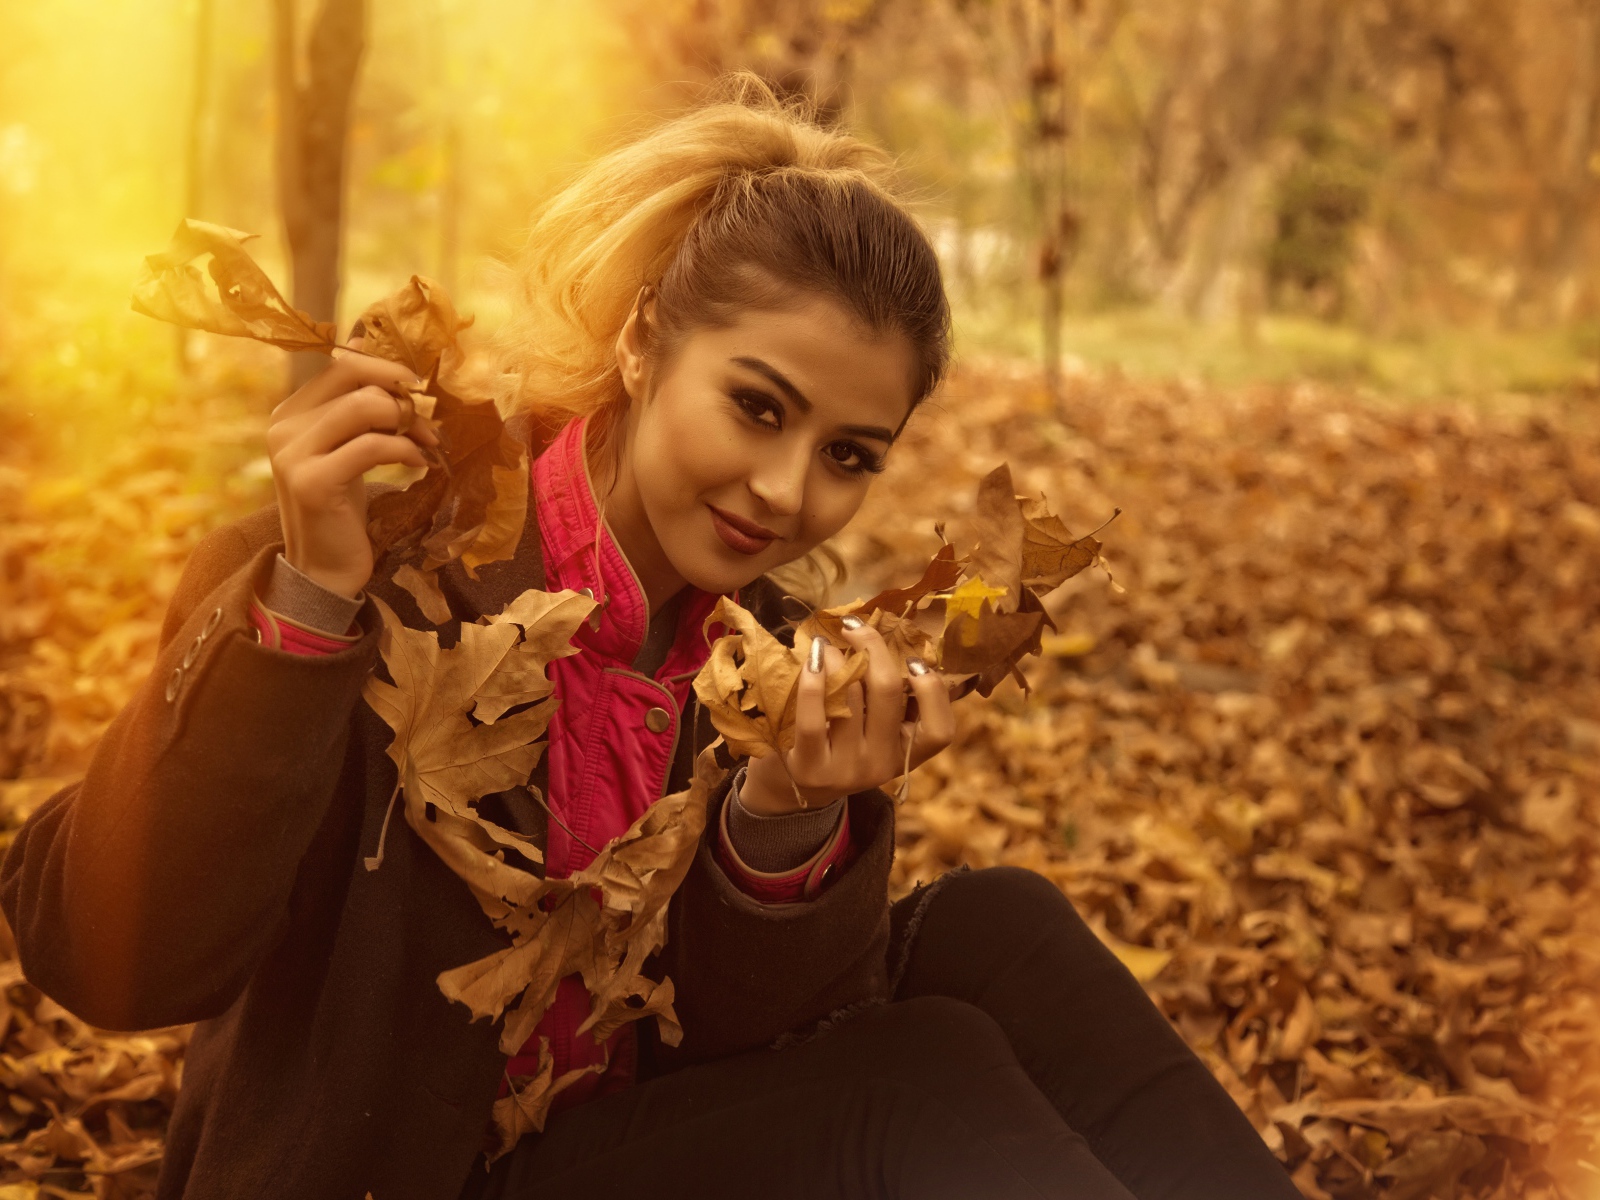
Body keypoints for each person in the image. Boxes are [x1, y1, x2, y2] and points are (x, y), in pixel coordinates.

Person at [1, 79, 1301, 1200]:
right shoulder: (383, 559)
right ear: (639, 345)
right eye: (757, 406)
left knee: (1002, 930)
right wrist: (304, 610)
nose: (790, 492)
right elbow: (107, 961)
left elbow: (764, 1058)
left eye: (850, 455)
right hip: (407, 1173)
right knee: (917, 1086)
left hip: (620, 1148)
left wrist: (784, 810)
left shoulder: (764, 655)